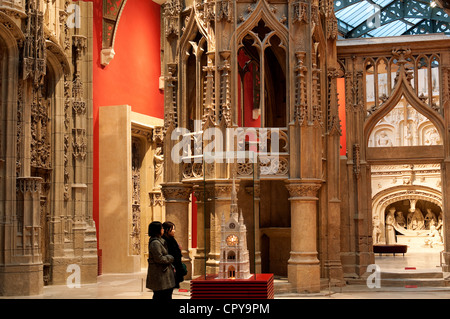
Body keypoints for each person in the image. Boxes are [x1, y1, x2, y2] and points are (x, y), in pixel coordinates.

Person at [146, 221, 176, 300]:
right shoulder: (155, 243)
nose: (163, 229)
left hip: (163, 273)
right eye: (162, 228)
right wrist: (170, 258)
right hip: (160, 275)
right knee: (161, 296)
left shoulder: (160, 241)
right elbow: (159, 258)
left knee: (166, 295)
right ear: (157, 230)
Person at [162, 221, 187, 288]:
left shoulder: (171, 239)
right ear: (167, 230)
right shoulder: (164, 240)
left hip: (176, 264)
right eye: (172, 229)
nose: (174, 231)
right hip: (171, 266)